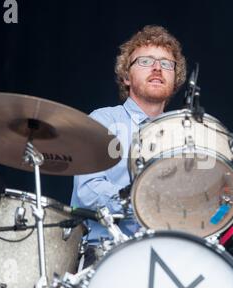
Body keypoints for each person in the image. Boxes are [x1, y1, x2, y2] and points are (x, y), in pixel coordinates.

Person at [70, 25, 187, 260]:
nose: (157, 67)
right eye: (145, 61)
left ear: (175, 80)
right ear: (126, 77)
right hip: (106, 252)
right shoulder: (104, 120)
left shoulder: (185, 135)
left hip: (167, 256)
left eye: (166, 64)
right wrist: (144, 205)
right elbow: (88, 189)